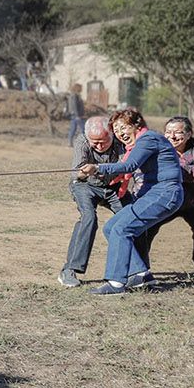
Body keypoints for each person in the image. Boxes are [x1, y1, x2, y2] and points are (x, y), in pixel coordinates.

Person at [77, 107, 183, 295]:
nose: (120, 133)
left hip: (165, 193)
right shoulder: (142, 142)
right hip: (153, 194)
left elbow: (129, 165)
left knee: (121, 229)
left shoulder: (148, 139)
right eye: (116, 130)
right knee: (111, 227)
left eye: (123, 127)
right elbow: (127, 165)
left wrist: (97, 167)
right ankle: (141, 274)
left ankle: (116, 283)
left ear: (136, 125)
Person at [140, 116, 194, 285]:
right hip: (169, 199)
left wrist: (174, 170)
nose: (172, 136)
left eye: (178, 132)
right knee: (146, 229)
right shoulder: (158, 147)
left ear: (188, 134)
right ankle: (142, 269)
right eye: (168, 132)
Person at [58, 115, 125, 287]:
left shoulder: (120, 140)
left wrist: (99, 168)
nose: (100, 146)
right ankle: (69, 270)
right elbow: (76, 174)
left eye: (104, 142)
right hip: (85, 186)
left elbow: (126, 165)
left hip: (113, 187)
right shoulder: (82, 141)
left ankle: (138, 270)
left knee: (132, 217)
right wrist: (84, 172)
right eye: (95, 143)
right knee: (89, 217)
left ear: (112, 134)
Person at [65, 83, 86, 147]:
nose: (82, 89)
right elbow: (74, 106)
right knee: (83, 129)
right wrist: (77, 115)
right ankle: (83, 143)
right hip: (76, 115)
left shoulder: (74, 95)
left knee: (73, 129)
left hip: (75, 115)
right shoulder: (74, 96)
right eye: (81, 88)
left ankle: (70, 142)